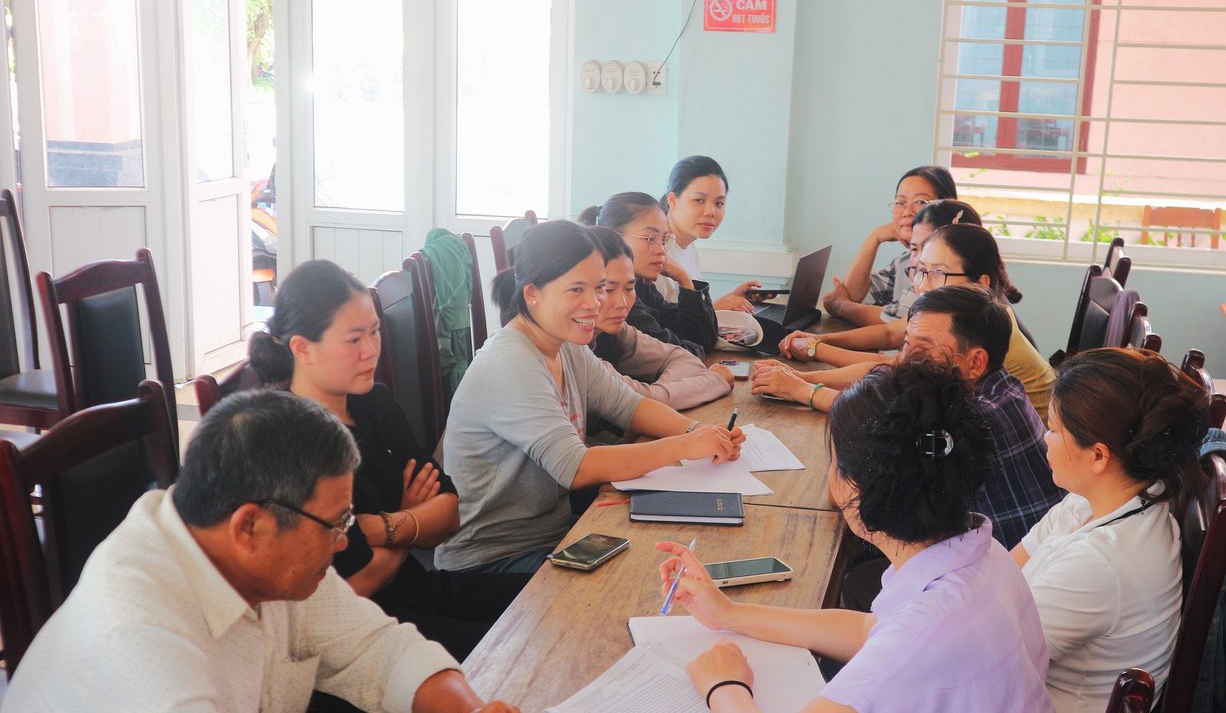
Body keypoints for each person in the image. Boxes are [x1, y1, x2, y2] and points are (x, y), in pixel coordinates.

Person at [0, 390, 517, 713]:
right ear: (250, 526)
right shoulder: (139, 643)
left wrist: (468, 710)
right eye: (335, 524)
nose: (345, 541)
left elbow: (377, 647)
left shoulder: (265, 562)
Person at [657, 359, 1053, 712]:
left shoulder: (920, 637)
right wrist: (729, 614)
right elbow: (870, 631)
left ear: (858, 489)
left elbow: (898, 645)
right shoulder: (981, 553)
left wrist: (724, 686)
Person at [248, 260, 526, 663]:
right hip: (368, 629)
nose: (371, 351)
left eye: (375, 332)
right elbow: (352, 589)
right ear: (302, 348)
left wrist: (382, 527)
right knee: (517, 651)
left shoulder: (373, 402)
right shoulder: (286, 438)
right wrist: (410, 518)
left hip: (423, 588)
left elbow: (449, 511)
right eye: (354, 339)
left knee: (551, 600)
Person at [436, 221, 744, 574]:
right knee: (649, 575)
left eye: (598, 287)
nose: (594, 303)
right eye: (576, 290)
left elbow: (630, 406)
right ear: (533, 293)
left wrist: (699, 433)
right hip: (492, 561)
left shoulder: (563, 344)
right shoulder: (512, 361)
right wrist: (685, 447)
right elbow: (576, 467)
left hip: (554, 534)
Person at [754, 285, 1061, 549]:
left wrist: (808, 392)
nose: (903, 362)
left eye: (922, 349)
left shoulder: (969, 420)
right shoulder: (995, 385)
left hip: (1002, 573)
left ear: (976, 361)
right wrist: (808, 382)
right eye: (905, 345)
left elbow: (841, 494)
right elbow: (887, 376)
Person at [1011, 347, 1209, 713]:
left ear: (1099, 456)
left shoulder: (1100, 563)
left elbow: (981, 654)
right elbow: (1006, 572)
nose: (1044, 439)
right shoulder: (1108, 497)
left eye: (1054, 430)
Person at [779, 222, 1055, 424]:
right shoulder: (956, 315)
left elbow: (892, 405)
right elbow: (895, 368)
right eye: (921, 270)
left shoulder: (975, 329)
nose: (922, 285)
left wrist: (805, 387)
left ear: (980, 284)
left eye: (937, 273)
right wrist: (805, 375)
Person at [780, 199, 981, 357]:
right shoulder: (932, 285)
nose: (907, 211)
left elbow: (896, 368)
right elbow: (890, 334)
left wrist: (816, 350)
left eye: (920, 201)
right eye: (914, 248)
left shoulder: (964, 308)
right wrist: (818, 340)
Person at [585, 225, 734, 410]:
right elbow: (645, 403)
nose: (622, 303)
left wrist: (661, 394)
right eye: (608, 290)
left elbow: (682, 356)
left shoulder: (618, 329)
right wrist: (712, 381)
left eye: (629, 288)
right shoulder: (573, 350)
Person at [579, 192, 718, 358]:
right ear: (616, 238)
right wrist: (694, 347)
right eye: (651, 239)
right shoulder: (616, 300)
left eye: (664, 240)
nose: (662, 251)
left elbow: (705, 339)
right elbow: (683, 354)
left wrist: (684, 278)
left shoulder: (643, 287)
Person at [823, 166, 957, 327]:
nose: (907, 211)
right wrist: (874, 237)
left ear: (947, 206)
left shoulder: (947, 265)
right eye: (900, 202)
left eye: (920, 202)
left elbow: (899, 319)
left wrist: (841, 306)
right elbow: (853, 296)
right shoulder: (905, 261)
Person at [654, 154, 763, 312]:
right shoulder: (657, 253)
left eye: (719, 203)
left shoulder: (688, 246)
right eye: (699, 200)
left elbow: (689, 311)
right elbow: (667, 326)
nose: (710, 212)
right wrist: (714, 309)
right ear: (673, 200)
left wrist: (733, 297)